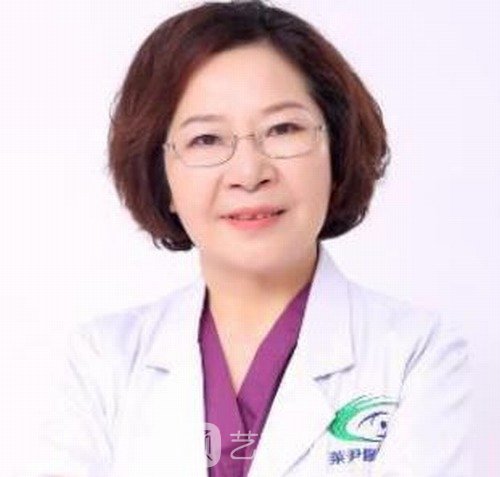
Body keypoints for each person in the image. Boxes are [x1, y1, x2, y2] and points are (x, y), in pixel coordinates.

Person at [29, 1, 469, 476]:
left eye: (283, 129)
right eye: (206, 139)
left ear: (337, 152)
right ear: (161, 177)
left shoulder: (417, 355)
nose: (249, 172)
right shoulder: (103, 361)